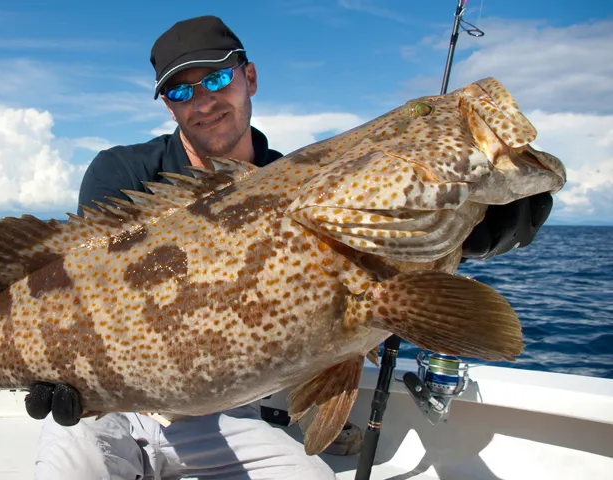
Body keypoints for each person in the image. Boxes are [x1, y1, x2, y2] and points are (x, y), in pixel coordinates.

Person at [30, 15, 554, 480]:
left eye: (216, 78)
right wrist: (58, 374)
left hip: (224, 414)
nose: (204, 101)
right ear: (167, 104)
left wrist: (481, 222)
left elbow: (410, 254)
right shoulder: (123, 175)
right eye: (181, 92)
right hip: (107, 407)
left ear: (249, 77)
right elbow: (80, 288)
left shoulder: (304, 179)